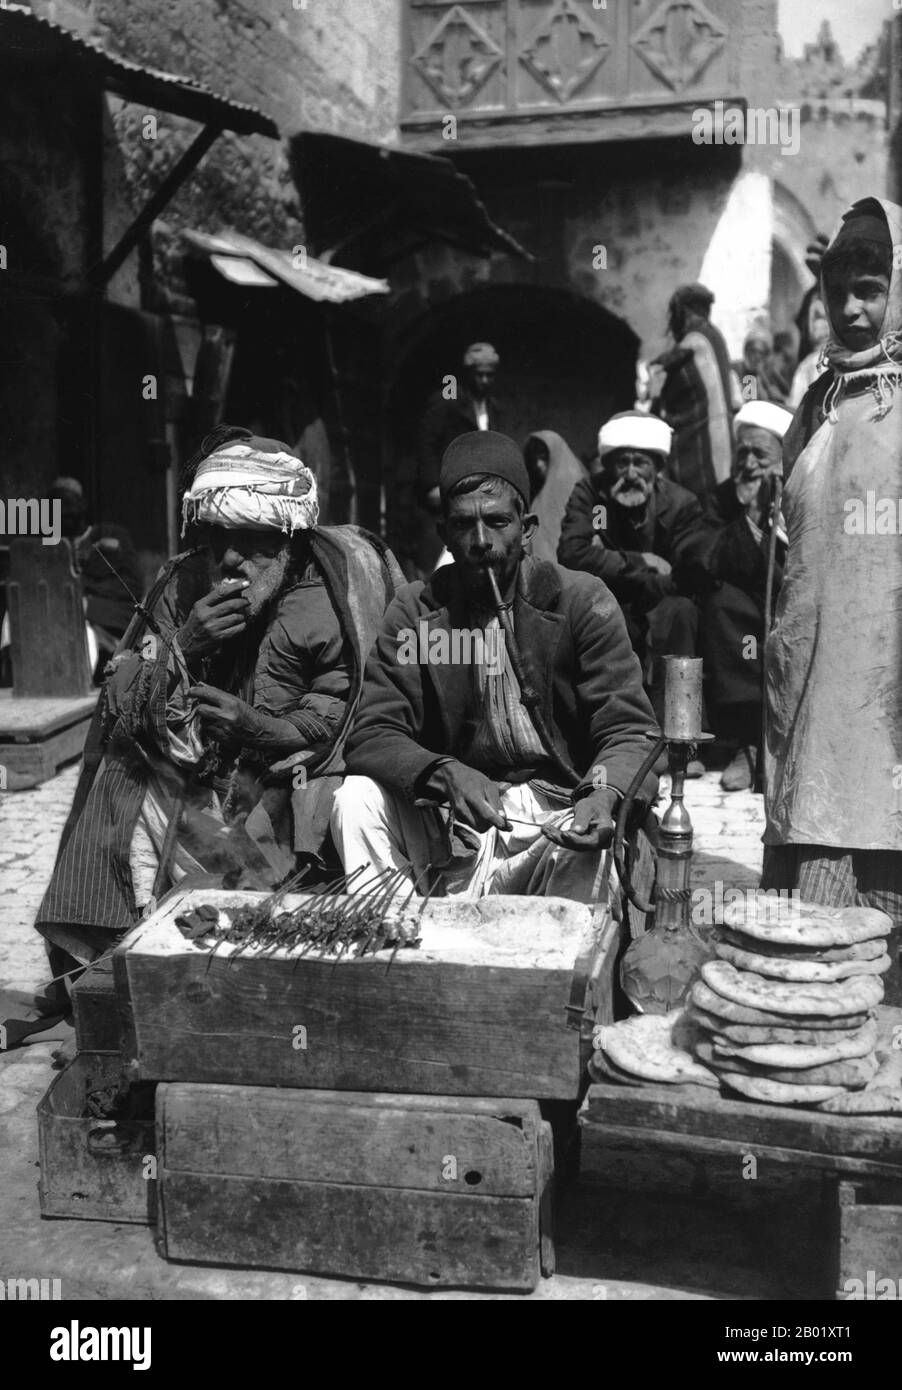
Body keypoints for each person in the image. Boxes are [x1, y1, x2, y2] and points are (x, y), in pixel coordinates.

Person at [33, 427, 402, 1005]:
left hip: (289, 788)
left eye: (249, 542)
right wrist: (187, 642)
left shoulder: (329, 595)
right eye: (215, 540)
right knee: (121, 783)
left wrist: (261, 729)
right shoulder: (185, 582)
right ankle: (121, 969)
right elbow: (123, 698)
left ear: (288, 539)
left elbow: (344, 711)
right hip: (202, 786)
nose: (229, 560)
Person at [331, 430, 659, 905]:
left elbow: (629, 730)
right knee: (356, 799)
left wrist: (602, 796)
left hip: (560, 812)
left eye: (498, 522)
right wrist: (443, 772)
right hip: (458, 819)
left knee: (594, 850)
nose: (482, 541)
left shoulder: (581, 601)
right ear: (444, 532)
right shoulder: (415, 612)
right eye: (464, 525)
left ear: (526, 528)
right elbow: (374, 730)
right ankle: (393, 937)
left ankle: (554, 972)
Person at [762, 197, 902, 1004]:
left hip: (887, 710)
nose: (850, 310)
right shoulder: (814, 403)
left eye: (872, 289)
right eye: (836, 290)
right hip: (811, 696)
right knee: (807, 986)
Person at [556, 411, 709, 753]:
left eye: (640, 463)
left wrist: (624, 570)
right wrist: (642, 561)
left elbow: (687, 572)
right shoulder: (591, 494)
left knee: (682, 613)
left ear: (657, 468)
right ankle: (617, 740)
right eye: (620, 463)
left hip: (664, 598)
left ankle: (680, 740)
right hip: (610, 597)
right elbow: (572, 552)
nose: (629, 474)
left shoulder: (682, 503)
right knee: (603, 620)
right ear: (607, 466)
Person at [695, 400, 793, 792]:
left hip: (793, 602)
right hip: (744, 612)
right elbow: (705, 556)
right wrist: (753, 519)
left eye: (760, 454)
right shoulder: (720, 499)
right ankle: (747, 744)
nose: (749, 463)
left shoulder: (806, 495)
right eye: (743, 453)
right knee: (723, 604)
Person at [651, 282, 736, 499]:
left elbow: (662, 374)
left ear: (684, 312)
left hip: (703, 460)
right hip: (726, 457)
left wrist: (655, 373)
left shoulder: (696, 341)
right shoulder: (715, 337)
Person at [522, 430, 587, 564]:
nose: (539, 465)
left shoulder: (576, 485)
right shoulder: (537, 490)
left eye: (544, 458)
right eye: (535, 459)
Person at [733, 328, 787, 405]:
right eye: (753, 351)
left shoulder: (769, 374)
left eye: (761, 353)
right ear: (746, 350)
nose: (756, 357)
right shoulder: (737, 371)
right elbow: (749, 404)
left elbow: (782, 400)